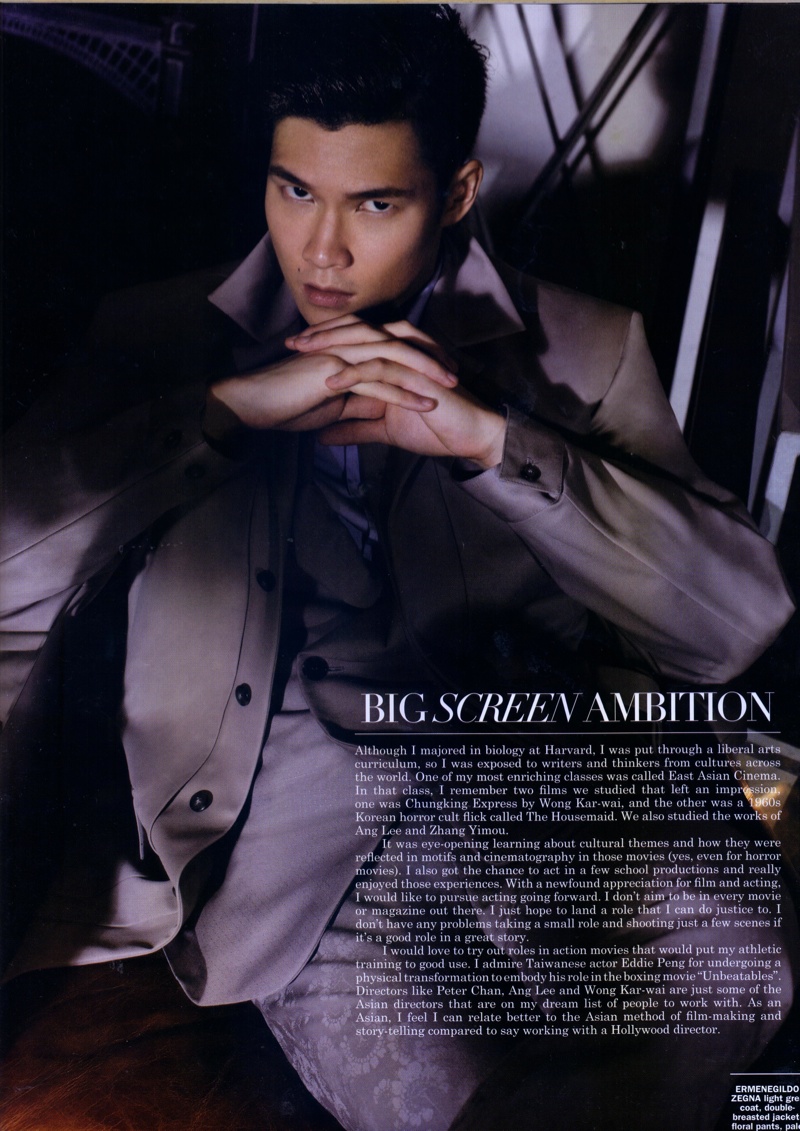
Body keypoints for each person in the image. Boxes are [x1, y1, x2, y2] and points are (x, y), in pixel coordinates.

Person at [1, 6, 796, 1130]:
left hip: (544, 792)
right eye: (294, 190)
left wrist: (494, 447)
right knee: (465, 1100)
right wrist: (222, 417)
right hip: (300, 857)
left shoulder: (583, 344)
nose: (321, 251)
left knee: (741, 970)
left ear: (457, 192)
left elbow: (736, 623)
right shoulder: (158, 337)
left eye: (374, 203)